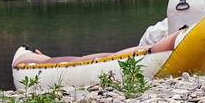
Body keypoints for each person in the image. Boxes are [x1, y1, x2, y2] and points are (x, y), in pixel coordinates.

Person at [11, 29, 183, 67]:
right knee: (98, 59)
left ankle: (45, 59)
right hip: (149, 48)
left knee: (105, 56)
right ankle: (42, 60)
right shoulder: (160, 33)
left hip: (152, 48)